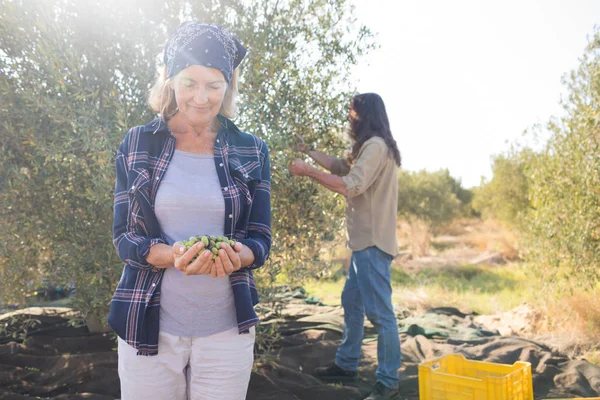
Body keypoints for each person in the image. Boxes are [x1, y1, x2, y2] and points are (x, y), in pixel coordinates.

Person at [108, 22, 271, 400]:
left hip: (226, 334)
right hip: (147, 327)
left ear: (229, 86)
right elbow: (123, 237)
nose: (201, 98)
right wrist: (172, 256)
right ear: (170, 81)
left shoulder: (252, 149)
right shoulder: (137, 143)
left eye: (214, 86)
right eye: (189, 84)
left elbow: (260, 240)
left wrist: (235, 255)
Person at [289, 93, 401, 400]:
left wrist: (307, 171)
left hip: (373, 244)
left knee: (381, 315)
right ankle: (347, 364)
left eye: (352, 114)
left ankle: (388, 382)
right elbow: (341, 166)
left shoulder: (376, 146)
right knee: (352, 303)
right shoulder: (372, 146)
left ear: (363, 115)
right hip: (363, 243)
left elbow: (350, 185)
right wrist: (309, 152)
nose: (349, 119)